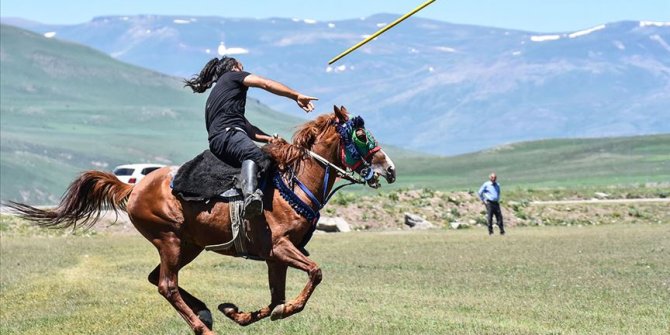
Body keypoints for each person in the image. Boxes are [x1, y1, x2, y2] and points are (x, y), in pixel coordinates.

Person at [184, 56, 318, 218]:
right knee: (256, 155)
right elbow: (265, 83)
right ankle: (251, 197)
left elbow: (249, 129)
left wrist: (269, 139)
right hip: (228, 135)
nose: (244, 70)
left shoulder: (222, 96)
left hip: (222, 139)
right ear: (235, 68)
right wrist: (296, 95)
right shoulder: (232, 76)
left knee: (266, 157)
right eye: (242, 67)